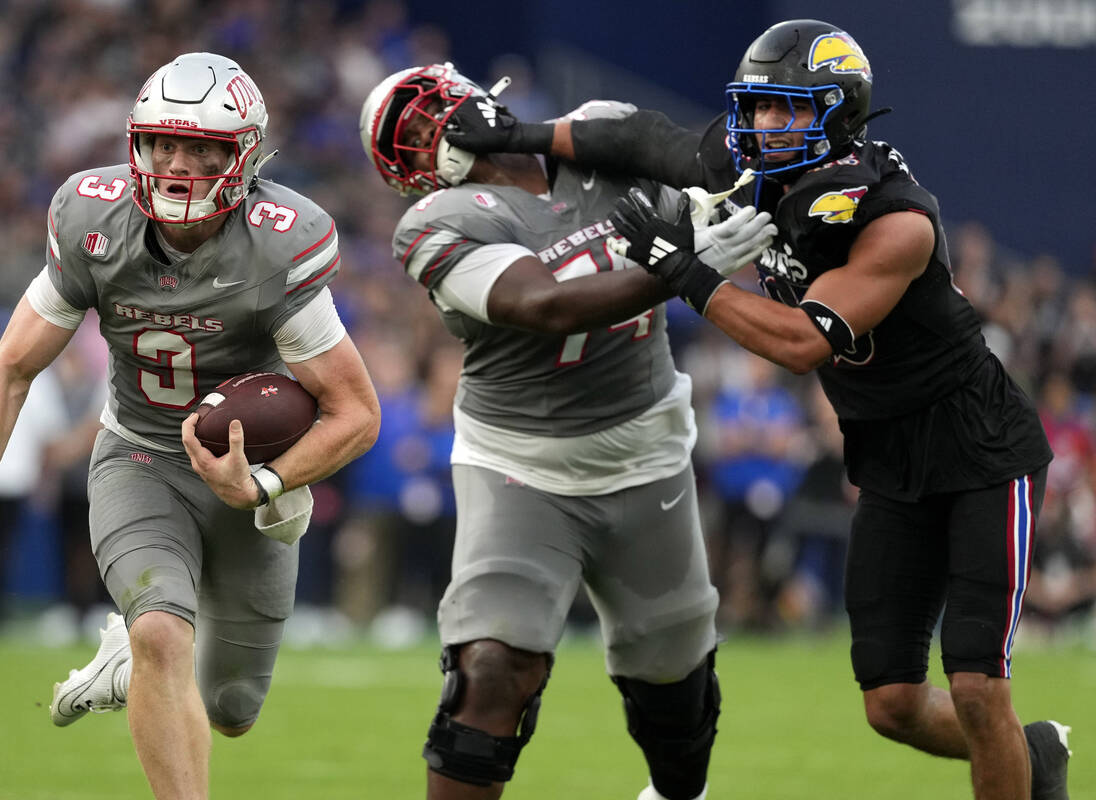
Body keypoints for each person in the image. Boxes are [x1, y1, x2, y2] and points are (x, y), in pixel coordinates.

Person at [442, 18, 1071, 800]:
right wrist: (525, 133)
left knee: (978, 688)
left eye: (786, 110)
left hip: (980, 452)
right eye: (758, 107)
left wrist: (687, 272)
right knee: (893, 705)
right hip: (888, 459)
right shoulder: (752, 164)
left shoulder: (895, 217)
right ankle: (1033, 757)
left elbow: (804, 342)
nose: (763, 127)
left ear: (840, 114)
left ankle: (1012, 753)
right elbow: (639, 136)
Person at [0, 53, 380, 800]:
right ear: (137, 144)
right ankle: (142, 653)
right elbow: (10, 367)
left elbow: (357, 412)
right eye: (165, 143)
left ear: (242, 155)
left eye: (204, 147)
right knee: (160, 632)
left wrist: (265, 481)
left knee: (232, 710)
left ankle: (129, 665)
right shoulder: (94, 220)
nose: (179, 163)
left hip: (245, 479)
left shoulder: (278, 242)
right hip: (141, 456)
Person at [358, 62, 774, 800]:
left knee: (675, 689)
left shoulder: (596, 133)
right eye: (411, 139)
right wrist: (690, 267)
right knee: (489, 670)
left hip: (646, 449)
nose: (435, 136)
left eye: (431, 115)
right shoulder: (436, 224)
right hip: (522, 465)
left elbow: (698, 154)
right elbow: (548, 306)